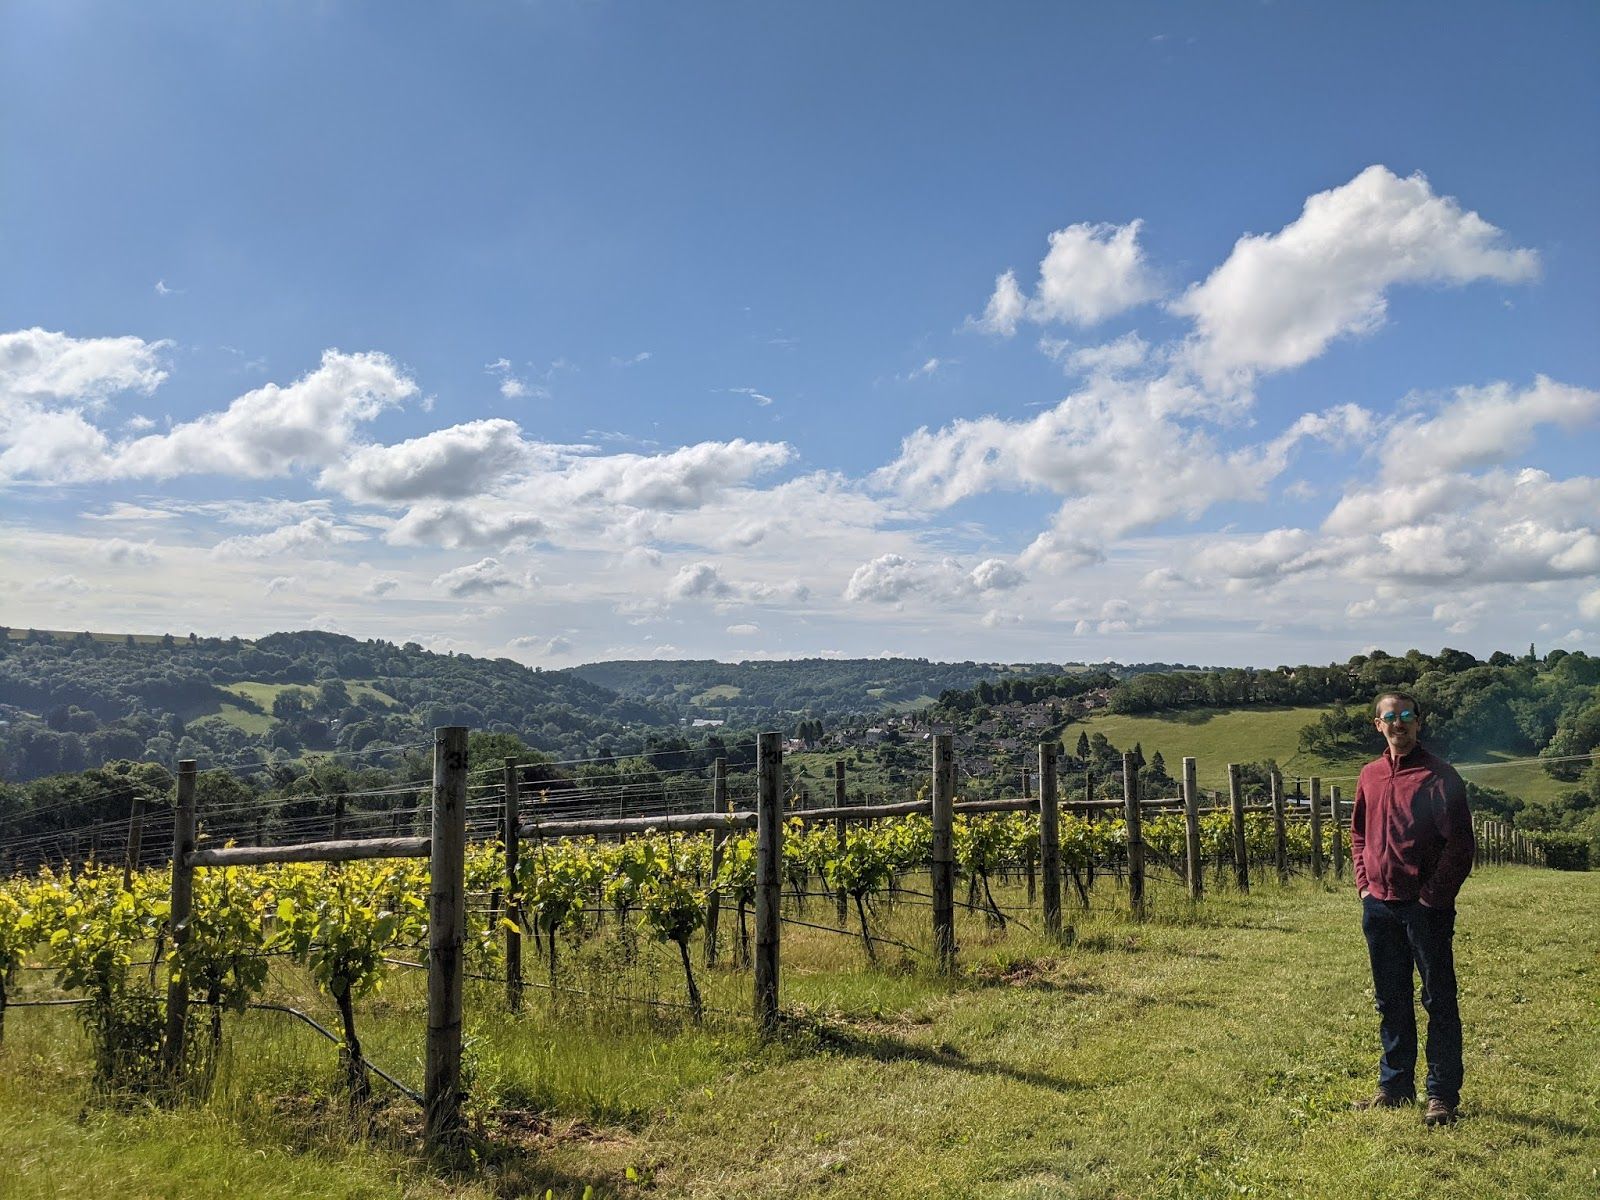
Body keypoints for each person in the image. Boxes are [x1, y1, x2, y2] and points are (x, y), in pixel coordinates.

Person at [1349, 690, 1475, 1126]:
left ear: (1419, 722)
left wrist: (1432, 896)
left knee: (1438, 1000)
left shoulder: (1439, 776)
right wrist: (1364, 885)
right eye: (1390, 717)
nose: (1398, 723)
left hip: (1426, 910)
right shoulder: (1369, 775)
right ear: (1378, 725)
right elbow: (1359, 835)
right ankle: (1395, 1086)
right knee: (1391, 999)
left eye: (1406, 715)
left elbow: (1460, 846)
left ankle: (1441, 1095)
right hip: (1379, 907)